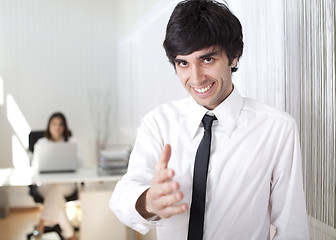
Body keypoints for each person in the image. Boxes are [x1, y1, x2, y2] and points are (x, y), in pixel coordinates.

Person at [109, 0, 309, 239]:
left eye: (207, 60)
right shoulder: (158, 124)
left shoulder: (277, 129)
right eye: (183, 63)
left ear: (234, 57)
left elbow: (292, 229)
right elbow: (124, 194)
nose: (196, 78)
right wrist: (149, 201)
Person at [33, 112, 78, 240]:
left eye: (60, 124)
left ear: (64, 127)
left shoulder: (72, 142)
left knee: (57, 187)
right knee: (57, 194)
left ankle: (41, 223)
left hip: (67, 184)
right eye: (54, 124)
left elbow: (80, 163)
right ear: (49, 126)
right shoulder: (41, 143)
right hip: (46, 185)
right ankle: (71, 235)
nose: (57, 127)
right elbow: (35, 166)